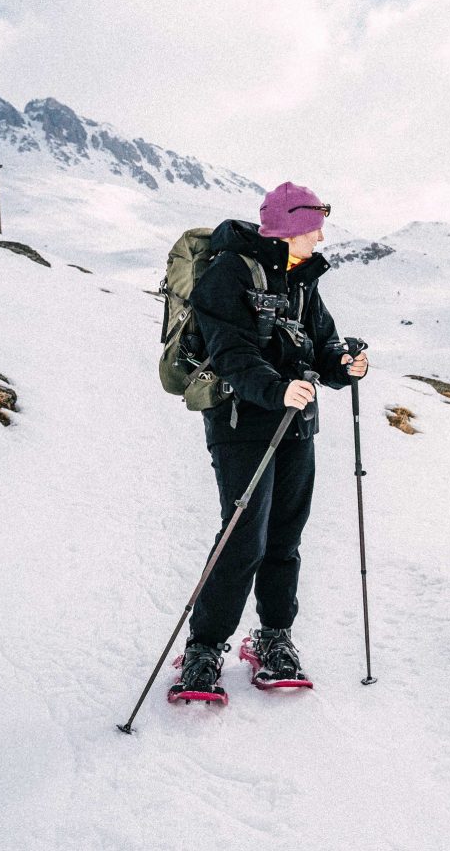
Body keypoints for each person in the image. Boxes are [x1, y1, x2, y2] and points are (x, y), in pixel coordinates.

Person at [179, 181, 369, 694]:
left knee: (285, 536)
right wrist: (277, 388)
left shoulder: (303, 280)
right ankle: (204, 647)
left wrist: (345, 365)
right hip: (242, 424)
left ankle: (273, 638)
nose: (321, 235)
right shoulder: (229, 273)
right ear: (287, 228)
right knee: (244, 537)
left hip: (296, 426)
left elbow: (322, 346)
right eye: (312, 226)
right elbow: (230, 351)